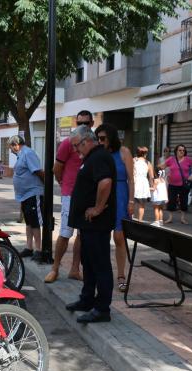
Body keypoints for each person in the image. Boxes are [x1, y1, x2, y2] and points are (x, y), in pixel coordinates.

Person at [65, 128, 116, 323]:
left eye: (77, 146)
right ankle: (87, 299)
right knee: (89, 263)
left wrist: (97, 208)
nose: (76, 150)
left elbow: (105, 183)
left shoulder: (99, 157)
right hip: (88, 225)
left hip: (97, 224)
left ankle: (102, 308)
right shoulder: (91, 158)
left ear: (87, 141)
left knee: (100, 264)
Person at [44, 111, 93, 283]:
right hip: (70, 195)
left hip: (88, 196)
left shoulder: (92, 144)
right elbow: (56, 168)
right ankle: (55, 268)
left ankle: (74, 269)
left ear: (91, 123)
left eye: (86, 122)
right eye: (80, 122)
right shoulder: (67, 143)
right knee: (65, 233)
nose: (83, 125)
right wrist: (63, 183)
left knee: (81, 235)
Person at [96, 124, 134, 293]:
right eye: (98, 138)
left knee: (119, 237)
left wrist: (131, 201)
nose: (100, 141)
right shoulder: (99, 153)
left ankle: (121, 275)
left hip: (120, 195)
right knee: (101, 238)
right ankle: (103, 274)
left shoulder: (124, 152)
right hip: (104, 196)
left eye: (103, 138)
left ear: (111, 137)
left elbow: (131, 179)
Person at [9, 135, 45, 262]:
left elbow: (38, 171)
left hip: (33, 193)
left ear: (16, 145)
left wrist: (46, 186)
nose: (11, 150)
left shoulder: (28, 153)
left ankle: (39, 249)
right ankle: (29, 247)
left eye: (11, 147)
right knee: (29, 221)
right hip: (25, 195)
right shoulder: (21, 154)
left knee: (35, 221)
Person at [158, 144, 192, 224]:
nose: (182, 152)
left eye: (183, 150)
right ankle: (170, 218)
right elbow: (162, 166)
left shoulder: (188, 159)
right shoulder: (171, 159)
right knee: (171, 200)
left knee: (184, 200)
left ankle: (183, 218)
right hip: (172, 183)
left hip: (184, 184)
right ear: (176, 151)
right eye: (180, 150)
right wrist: (160, 167)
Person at [133, 146, 154, 221]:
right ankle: (140, 220)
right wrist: (152, 186)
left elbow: (131, 173)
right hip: (144, 183)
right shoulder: (148, 163)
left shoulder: (134, 160)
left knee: (134, 202)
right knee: (142, 204)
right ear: (145, 154)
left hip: (135, 182)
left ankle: (132, 218)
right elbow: (151, 176)